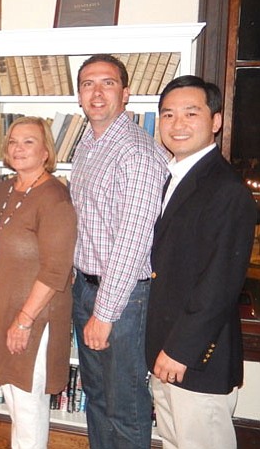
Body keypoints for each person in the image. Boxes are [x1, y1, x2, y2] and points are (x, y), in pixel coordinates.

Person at [146, 75, 256, 449]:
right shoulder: (175, 176)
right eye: (168, 114)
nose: (177, 124)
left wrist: (180, 351)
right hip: (166, 351)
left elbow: (219, 284)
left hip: (195, 358)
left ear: (216, 121)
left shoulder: (226, 190)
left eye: (191, 113)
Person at [69, 54, 170, 449]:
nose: (96, 92)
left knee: (124, 407)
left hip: (122, 299)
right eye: (88, 84)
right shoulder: (89, 144)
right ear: (79, 95)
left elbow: (133, 240)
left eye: (107, 83)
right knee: (97, 398)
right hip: (87, 287)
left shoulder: (136, 152)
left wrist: (104, 313)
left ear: (125, 93)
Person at [0, 116, 77, 449]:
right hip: (1, 309)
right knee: (14, 402)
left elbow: (56, 270)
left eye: (29, 142)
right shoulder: (5, 188)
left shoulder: (55, 197)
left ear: (45, 151)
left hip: (33, 317)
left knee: (27, 404)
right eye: (12, 142)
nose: (18, 148)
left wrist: (23, 322)